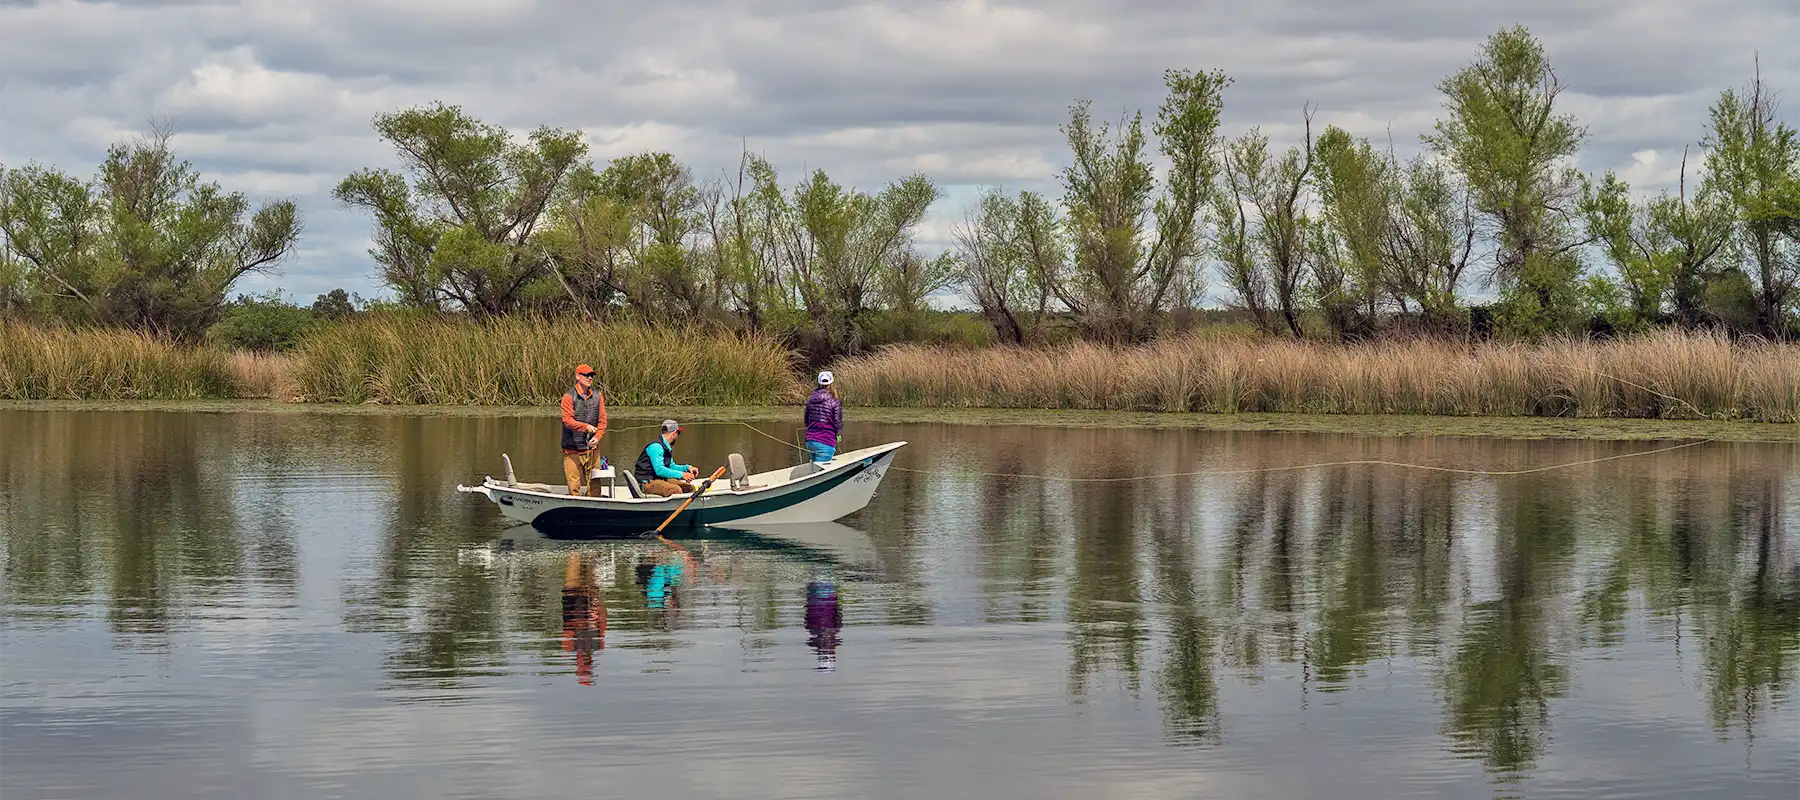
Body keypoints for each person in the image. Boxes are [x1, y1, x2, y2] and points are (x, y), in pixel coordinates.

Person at [560, 364, 608, 496]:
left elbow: (602, 421)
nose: (589, 378)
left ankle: (594, 506)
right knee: (574, 487)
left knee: (595, 487)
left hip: (592, 450)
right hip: (572, 449)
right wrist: (585, 427)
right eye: (586, 375)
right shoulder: (568, 397)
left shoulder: (598, 396)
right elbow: (567, 421)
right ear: (577, 376)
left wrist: (597, 437)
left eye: (591, 375)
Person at [635, 419, 699, 497]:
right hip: (646, 483)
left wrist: (687, 468)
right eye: (678, 433)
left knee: (689, 488)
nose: (677, 436)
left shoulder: (665, 447)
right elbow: (659, 470)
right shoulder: (656, 447)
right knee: (675, 490)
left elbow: (671, 466)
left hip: (658, 480)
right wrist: (682, 475)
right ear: (674, 433)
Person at [803, 370, 842, 463]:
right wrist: (838, 434)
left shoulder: (811, 399)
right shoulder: (834, 401)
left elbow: (806, 421)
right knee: (821, 469)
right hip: (826, 441)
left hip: (810, 441)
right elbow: (837, 423)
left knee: (813, 468)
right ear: (832, 384)